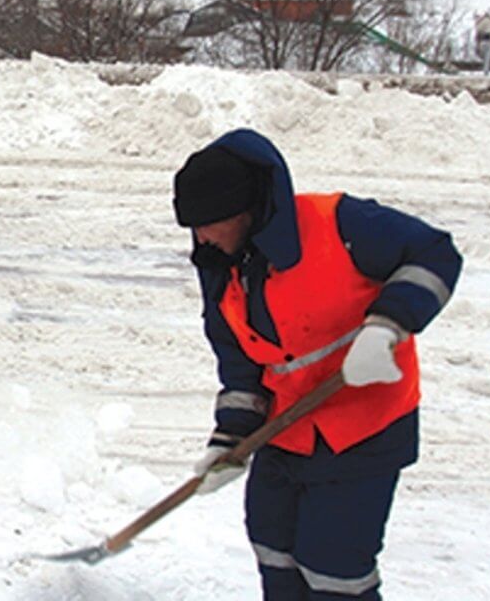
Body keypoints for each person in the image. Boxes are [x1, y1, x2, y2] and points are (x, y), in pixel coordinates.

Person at [172, 128, 462, 600]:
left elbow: (435, 253)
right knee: (273, 546)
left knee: (334, 568)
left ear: (244, 211)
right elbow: (241, 363)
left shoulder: (339, 224)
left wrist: (388, 324)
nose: (201, 237)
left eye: (210, 222)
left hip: (362, 428)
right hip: (285, 431)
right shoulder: (220, 265)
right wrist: (231, 435)